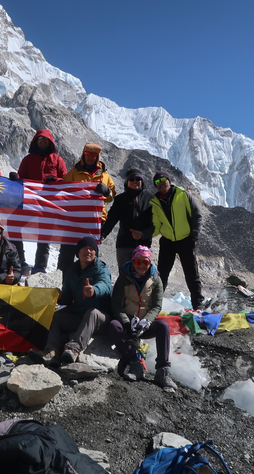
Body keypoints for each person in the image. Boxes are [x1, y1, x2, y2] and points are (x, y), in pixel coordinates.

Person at [108, 246, 176, 390]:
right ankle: (135, 361)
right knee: (113, 325)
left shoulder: (156, 279)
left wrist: (147, 322)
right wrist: (126, 323)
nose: (142, 265)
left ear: (149, 263)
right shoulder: (124, 277)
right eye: (138, 262)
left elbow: (157, 306)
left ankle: (162, 370)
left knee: (163, 326)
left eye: (145, 262)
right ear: (133, 262)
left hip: (143, 325)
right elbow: (116, 304)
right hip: (127, 324)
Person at [37, 236, 111, 365]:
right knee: (57, 317)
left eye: (91, 249)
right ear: (78, 252)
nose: (88, 251)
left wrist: (94, 290)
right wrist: (60, 297)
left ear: (95, 253)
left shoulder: (101, 268)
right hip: (80, 316)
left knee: (92, 312)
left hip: (101, 318)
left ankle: (73, 349)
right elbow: (68, 297)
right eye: (84, 248)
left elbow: (106, 285)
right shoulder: (72, 271)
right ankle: (51, 352)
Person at [14, 129, 68, 273]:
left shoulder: (58, 160)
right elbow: (20, 178)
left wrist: (56, 181)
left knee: (44, 236)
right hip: (29, 203)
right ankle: (20, 261)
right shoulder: (27, 159)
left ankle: (40, 267)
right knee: (14, 226)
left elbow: (66, 180)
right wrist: (15, 179)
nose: (43, 141)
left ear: (51, 142)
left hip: (48, 205)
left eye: (46, 139)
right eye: (40, 139)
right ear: (35, 141)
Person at [150, 171, 205, 310]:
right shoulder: (155, 202)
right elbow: (156, 226)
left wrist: (194, 236)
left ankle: (198, 304)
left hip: (186, 240)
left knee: (191, 274)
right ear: (155, 186)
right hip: (167, 241)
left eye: (163, 179)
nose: (161, 183)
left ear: (169, 180)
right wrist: (143, 233)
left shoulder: (183, 195)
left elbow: (196, 215)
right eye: (157, 182)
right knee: (162, 274)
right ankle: (155, 304)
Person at [57, 143, 116, 272]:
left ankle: (86, 288)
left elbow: (112, 197)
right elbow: (62, 191)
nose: (90, 157)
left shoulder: (105, 176)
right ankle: (63, 286)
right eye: (88, 154)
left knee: (89, 256)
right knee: (66, 256)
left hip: (95, 220)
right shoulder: (73, 173)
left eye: (93, 155)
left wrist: (107, 192)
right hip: (73, 220)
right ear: (83, 155)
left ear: (97, 157)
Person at [101, 168, 155, 268]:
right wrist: (103, 234)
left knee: (142, 273)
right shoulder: (120, 199)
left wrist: (143, 234)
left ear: (142, 181)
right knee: (125, 275)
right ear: (127, 182)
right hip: (124, 244)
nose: (135, 181)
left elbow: (156, 223)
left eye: (138, 179)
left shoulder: (151, 199)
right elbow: (112, 218)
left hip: (144, 245)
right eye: (131, 179)